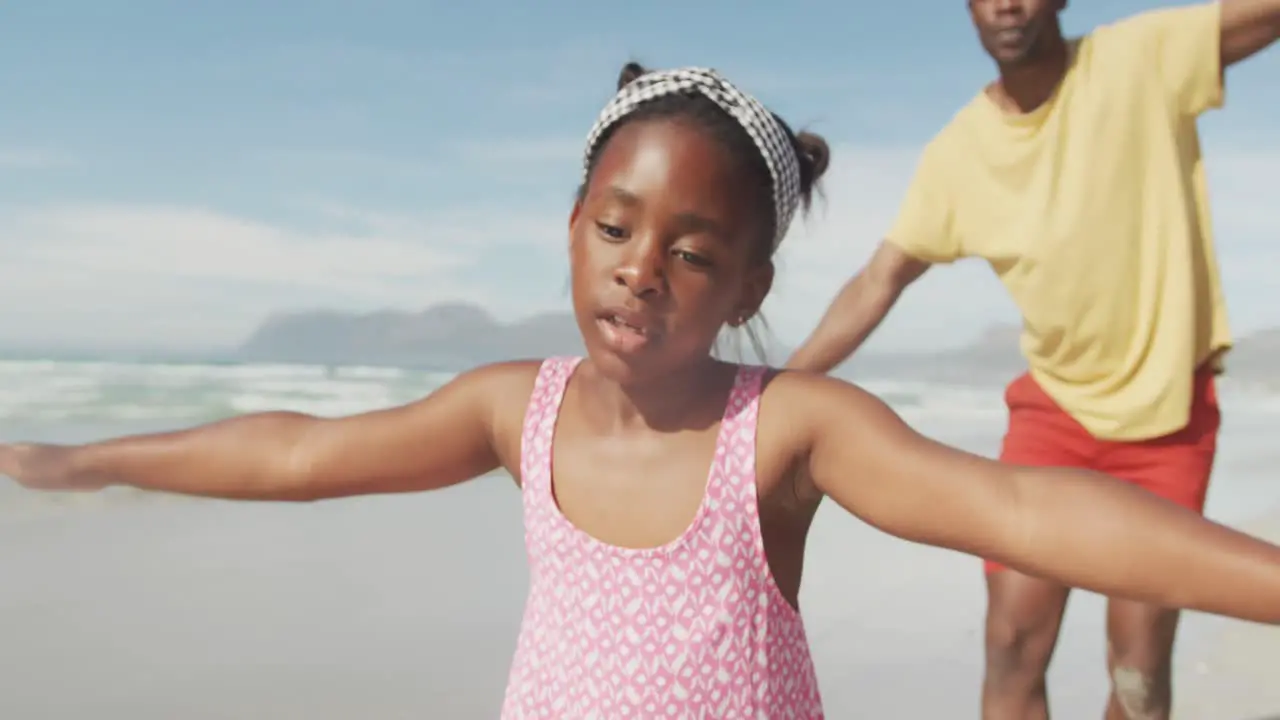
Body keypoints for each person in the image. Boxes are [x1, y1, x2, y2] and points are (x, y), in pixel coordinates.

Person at [3, 62, 1280, 720]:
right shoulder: (517, 409)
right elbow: (292, 453)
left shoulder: (785, 431)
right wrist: (81, 459)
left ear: (746, 284)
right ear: (571, 227)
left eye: (691, 252)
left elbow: (1027, 513)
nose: (641, 273)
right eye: (615, 230)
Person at [785, 1, 1279, 718]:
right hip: (1053, 414)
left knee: (1138, 661)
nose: (1007, 3)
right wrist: (779, 388)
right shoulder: (960, 153)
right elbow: (877, 281)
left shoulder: (1137, 59)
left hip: (1170, 415)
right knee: (1013, 639)